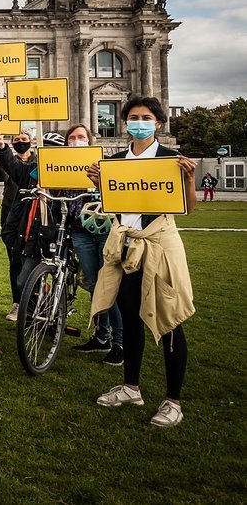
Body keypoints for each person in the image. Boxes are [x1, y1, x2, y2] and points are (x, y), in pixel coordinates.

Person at [87, 95, 195, 428]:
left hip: (160, 247)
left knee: (169, 320)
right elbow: (117, 205)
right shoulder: (116, 160)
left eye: (146, 117)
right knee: (131, 318)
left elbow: (188, 209)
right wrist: (98, 184)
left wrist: (189, 179)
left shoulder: (171, 159)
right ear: (124, 122)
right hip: (126, 247)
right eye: (133, 117)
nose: (139, 122)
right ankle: (131, 386)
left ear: (158, 123)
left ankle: (173, 400)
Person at [59, 124, 124, 364]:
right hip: (79, 232)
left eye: (81, 137)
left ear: (90, 141)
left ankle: (119, 343)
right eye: (72, 138)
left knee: (111, 288)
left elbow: (116, 193)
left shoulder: (103, 165)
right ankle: (101, 337)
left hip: (104, 231)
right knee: (96, 286)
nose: (76, 141)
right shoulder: (60, 166)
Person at [0, 130, 37, 323]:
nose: (20, 142)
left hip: (34, 211)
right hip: (13, 210)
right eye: (16, 140)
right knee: (15, 259)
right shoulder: (9, 159)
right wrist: (3, 150)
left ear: (31, 141)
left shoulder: (38, 161)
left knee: (34, 259)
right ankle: (18, 302)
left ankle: (35, 302)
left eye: (24, 139)